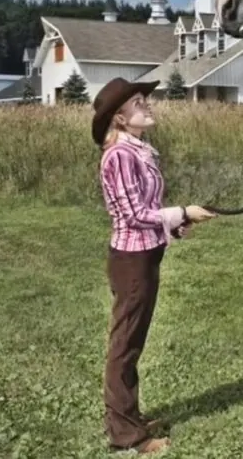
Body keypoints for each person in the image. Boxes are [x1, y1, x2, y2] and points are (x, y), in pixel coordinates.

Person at [91, 77, 216, 454]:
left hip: (144, 254)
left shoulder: (138, 150)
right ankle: (125, 434)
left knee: (132, 342)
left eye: (145, 99)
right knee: (124, 346)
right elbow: (133, 215)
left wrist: (175, 227)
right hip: (131, 261)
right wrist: (181, 212)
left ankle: (129, 416)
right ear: (119, 118)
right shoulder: (120, 156)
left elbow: (146, 215)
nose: (148, 105)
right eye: (139, 102)